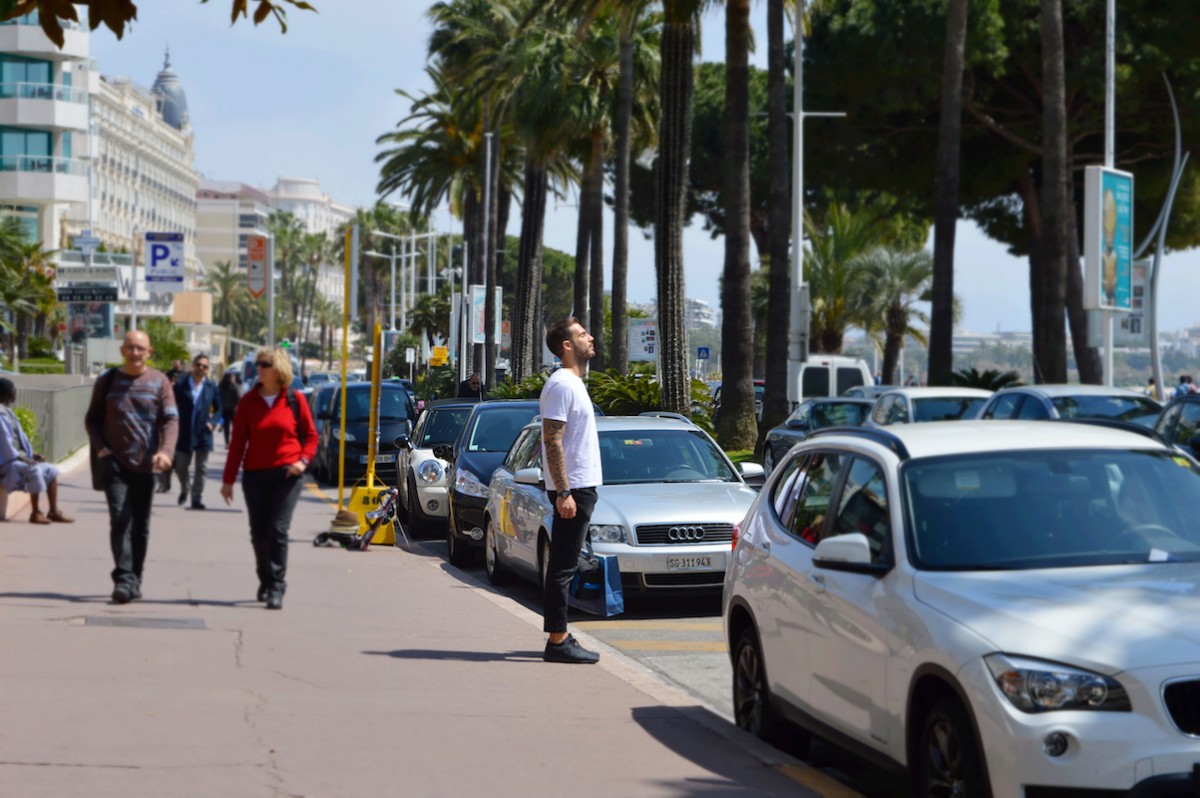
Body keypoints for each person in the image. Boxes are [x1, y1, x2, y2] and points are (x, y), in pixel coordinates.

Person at [84, 331, 179, 604]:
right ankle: (124, 578)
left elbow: (170, 421)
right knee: (120, 519)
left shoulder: (160, 381)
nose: (135, 353)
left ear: (149, 352)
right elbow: (92, 419)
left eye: (140, 348)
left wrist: (165, 451)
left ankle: (135, 577)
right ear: (122, 350)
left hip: (148, 465)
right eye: (130, 348)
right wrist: (103, 449)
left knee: (141, 526)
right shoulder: (108, 380)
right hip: (115, 463)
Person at [221, 348, 317, 610]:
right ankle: (265, 579)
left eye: (265, 364)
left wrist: (302, 461)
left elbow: (311, 437)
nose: (259, 368)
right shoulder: (248, 402)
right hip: (255, 476)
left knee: (278, 529)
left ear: (279, 368)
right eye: (258, 364)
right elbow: (238, 443)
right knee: (259, 533)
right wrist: (228, 480)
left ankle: (276, 585)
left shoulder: (294, 399)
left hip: (288, 474)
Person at [539, 317, 603, 664]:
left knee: (566, 563)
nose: (589, 338)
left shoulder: (574, 383)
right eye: (581, 334)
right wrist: (563, 492)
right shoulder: (563, 384)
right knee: (563, 566)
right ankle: (558, 640)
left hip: (579, 486)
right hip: (572, 489)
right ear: (567, 345)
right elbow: (552, 439)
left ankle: (559, 634)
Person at [0, 378, 74, 525]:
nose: (15, 393)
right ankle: (35, 513)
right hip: (6, 463)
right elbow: (6, 446)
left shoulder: (8, 412)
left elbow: (18, 440)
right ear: (7, 393)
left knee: (51, 470)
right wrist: (26, 459)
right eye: (13, 390)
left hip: (17, 459)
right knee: (33, 469)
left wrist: (31, 455)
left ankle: (53, 511)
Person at [173, 354, 222, 510]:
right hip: (184, 431)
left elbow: (220, 409)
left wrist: (213, 423)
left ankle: (196, 498)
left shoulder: (211, 387)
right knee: (180, 466)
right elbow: (170, 405)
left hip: (203, 432)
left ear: (208, 370)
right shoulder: (180, 386)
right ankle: (185, 488)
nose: (201, 368)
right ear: (192, 366)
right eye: (199, 365)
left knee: (202, 468)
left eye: (205, 366)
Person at [218, 369, 241, 447]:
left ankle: (226, 442)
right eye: (233, 376)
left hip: (224, 409)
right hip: (233, 410)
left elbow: (218, 397)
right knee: (235, 426)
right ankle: (233, 441)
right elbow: (238, 398)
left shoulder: (221, 386)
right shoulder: (234, 386)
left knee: (226, 427)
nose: (234, 378)